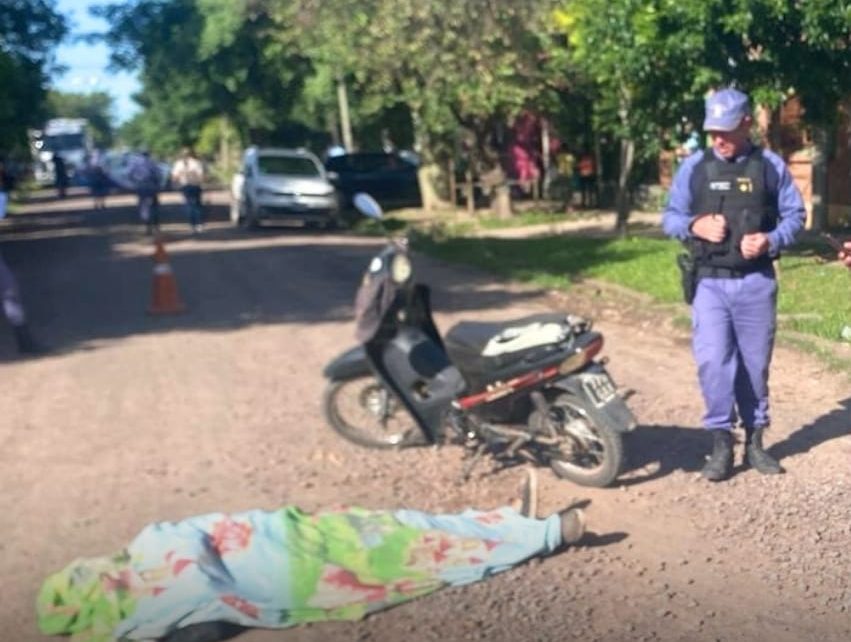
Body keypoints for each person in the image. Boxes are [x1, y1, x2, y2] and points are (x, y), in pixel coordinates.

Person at [662, 87, 805, 482]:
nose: (719, 140)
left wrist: (771, 240)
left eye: (726, 130)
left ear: (746, 124)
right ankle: (721, 444)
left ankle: (756, 442)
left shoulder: (769, 165)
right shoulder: (695, 168)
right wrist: (694, 225)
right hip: (710, 283)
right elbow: (670, 217)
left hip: (756, 282)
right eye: (713, 133)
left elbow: (796, 216)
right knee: (713, 363)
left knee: (755, 368)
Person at [170, 147, 205, 233]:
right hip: (194, 186)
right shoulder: (196, 163)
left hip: (187, 186)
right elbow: (201, 175)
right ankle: (198, 224)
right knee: (196, 205)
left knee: (190, 205)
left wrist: (176, 182)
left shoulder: (179, 164)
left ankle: (193, 225)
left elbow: (174, 176)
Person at [129, 151, 162, 235]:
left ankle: (147, 227)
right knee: (154, 207)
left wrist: (135, 183)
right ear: (148, 154)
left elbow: (130, 175)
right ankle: (156, 226)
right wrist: (158, 185)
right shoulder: (152, 163)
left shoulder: (136, 164)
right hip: (152, 187)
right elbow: (159, 175)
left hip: (141, 187)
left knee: (144, 207)